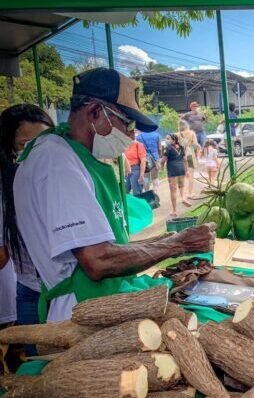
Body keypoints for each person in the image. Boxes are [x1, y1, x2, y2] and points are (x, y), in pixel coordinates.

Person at [14, 67, 215, 323]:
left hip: (97, 300)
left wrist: (163, 242)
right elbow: (97, 261)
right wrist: (179, 245)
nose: (131, 135)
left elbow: (102, 245)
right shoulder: (57, 163)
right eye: (127, 123)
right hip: (84, 310)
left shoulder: (66, 153)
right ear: (95, 112)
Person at [0, 104, 53, 335]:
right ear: (8, 148)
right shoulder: (5, 188)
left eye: (44, 141)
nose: (37, 150)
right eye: (25, 144)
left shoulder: (61, 174)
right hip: (33, 292)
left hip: (72, 290)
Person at [161, 133, 188, 217]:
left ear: (173, 140)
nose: (166, 140)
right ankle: (183, 198)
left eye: (168, 139)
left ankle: (174, 210)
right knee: (181, 186)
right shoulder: (181, 147)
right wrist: (186, 170)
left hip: (172, 169)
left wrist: (161, 167)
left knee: (173, 190)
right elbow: (185, 160)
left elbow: (163, 160)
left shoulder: (168, 148)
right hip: (181, 169)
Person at [177, 119, 198, 203]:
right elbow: (195, 145)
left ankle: (182, 195)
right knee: (191, 175)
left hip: (180, 155)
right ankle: (189, 193)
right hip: (189, 154)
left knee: (182, 175)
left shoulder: (177, 134)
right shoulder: (191, 133)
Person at [123, 132, 146, 196]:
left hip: (135, 170)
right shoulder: (123, 145)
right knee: (124, 192)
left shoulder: (138, 145)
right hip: (125, 170)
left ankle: (139, 205)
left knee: (136, 192)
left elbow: (143, 161)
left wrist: (141, 174)